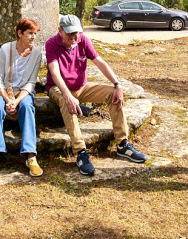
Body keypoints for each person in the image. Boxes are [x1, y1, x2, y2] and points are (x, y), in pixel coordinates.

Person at [46, 14, 147, 176]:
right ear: (60, 31)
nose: (74, 36)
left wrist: (117, 84)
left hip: (82, 87)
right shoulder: (51, 43)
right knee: (67, 102)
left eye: (76, 32)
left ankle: (122, 144)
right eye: (70, 33)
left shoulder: (83, 40)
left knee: (112, 94)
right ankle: (80, 152)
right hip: (58, 88)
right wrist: (68, 95)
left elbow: (100, 62)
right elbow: (54, 72)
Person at [0, 18, 43, 178]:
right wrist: (7, 99)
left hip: (23, 93)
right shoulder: (5, 49)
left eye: (35, 34)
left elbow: (31, 84)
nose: (33, 37)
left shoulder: (37, 54)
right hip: (4, 91)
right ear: (20, 33)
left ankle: (31, 155)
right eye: (30, 33)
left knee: (27, 106)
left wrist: (16, 101)